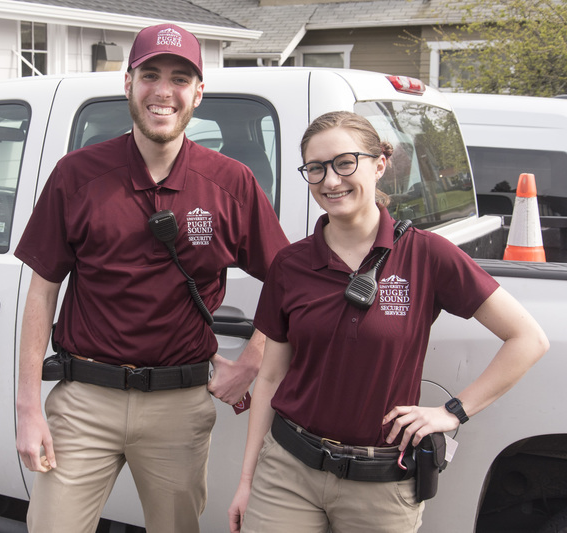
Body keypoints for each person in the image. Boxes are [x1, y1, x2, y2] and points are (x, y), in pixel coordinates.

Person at [14, 23, 290, 533]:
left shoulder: (232, 184)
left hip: (179, 406)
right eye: (151, 75)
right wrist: (27, 407)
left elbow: (289, 285)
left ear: (198, 93)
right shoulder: (76, 175)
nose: (163, 91)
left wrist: (251, 362)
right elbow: (43, 288)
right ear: (128, 83)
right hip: (83, 401)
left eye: (180, 78)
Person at [227, 111, 549, 533]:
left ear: (379, 164)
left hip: (380, 485)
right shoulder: (291, 265)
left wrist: (453, 412)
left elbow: (527, 338)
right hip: (288, 473)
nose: (330, 181)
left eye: (345, 163)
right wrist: (248, 480)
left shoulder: (428, 255)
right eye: (316, 168)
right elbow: (270, 379)